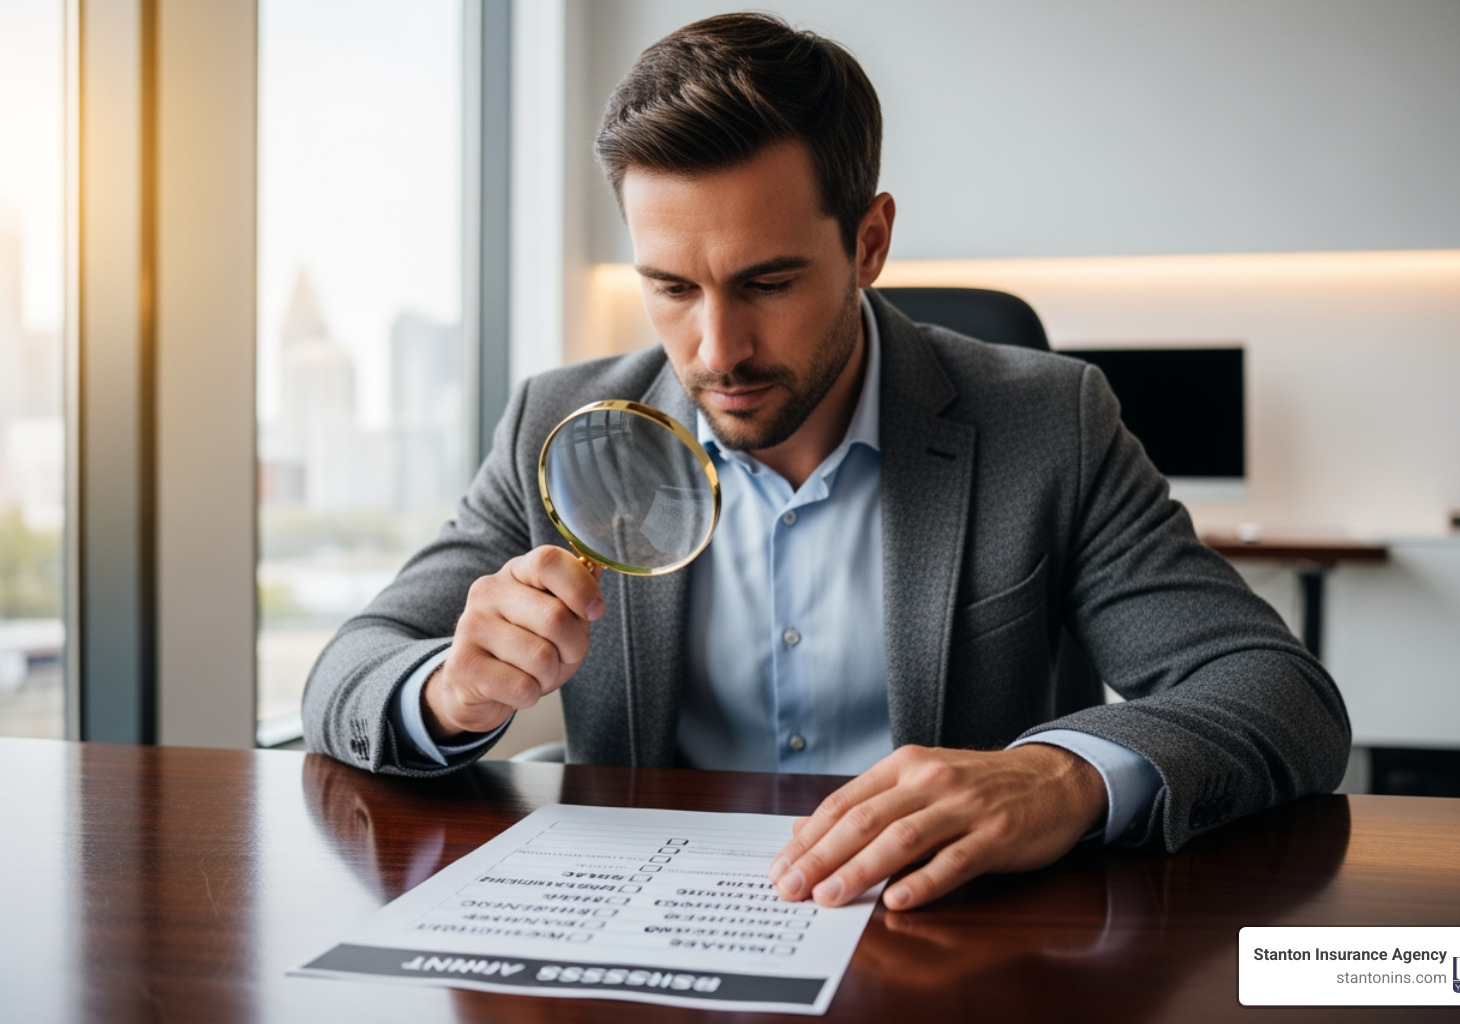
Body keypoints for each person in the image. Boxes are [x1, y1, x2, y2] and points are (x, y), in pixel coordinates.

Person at [303, 12, 1349, 913]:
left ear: (870, 243)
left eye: (767, 283)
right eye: (671, 287)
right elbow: (348, 671)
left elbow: (1279, 693)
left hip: (942, 938)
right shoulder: (559, 421)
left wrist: (1060, 775)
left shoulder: (1048, 423)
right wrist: (448, 692)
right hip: (649, 931)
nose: (717, 350)